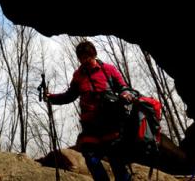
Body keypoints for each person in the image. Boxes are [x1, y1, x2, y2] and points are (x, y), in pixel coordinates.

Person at [47, 40, 134, 181]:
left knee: (117, 162)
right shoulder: (78, 75)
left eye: (87, 57)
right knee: (90, 157)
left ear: (94, 54)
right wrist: (52, 98)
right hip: (90, 125)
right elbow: (69, 95)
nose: (84, 61)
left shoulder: (108, 70)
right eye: (81, 58)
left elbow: (124, 88)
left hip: (111, 123)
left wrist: (125, 94)